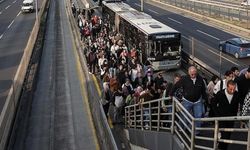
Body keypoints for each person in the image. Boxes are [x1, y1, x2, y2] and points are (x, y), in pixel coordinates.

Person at [170, 66, 207, 134]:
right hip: (187, 101)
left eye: (195, 74)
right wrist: (171, 94)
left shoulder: (200, 79)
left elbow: (203, 90)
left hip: (197, 101)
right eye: (192, 74)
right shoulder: (184, 79)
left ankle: (196, 131)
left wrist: (205, 99)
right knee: (184, 116)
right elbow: (176, 85)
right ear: (189, 73)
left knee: (198, 116)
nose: (193, 75)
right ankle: (181, 129)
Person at [212, 80, 240, 150]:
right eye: (231, 89)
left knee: (228, 136)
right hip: (222, 118)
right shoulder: (220, 93)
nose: (232, 91)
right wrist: (217, 115)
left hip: (231, 119)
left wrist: (236, 115)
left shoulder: (236, 94)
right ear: (227, 87)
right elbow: (213, 104)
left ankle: (222, 147)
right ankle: (221, 147)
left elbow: (237, 106)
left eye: (234, 89)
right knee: (224, 135)